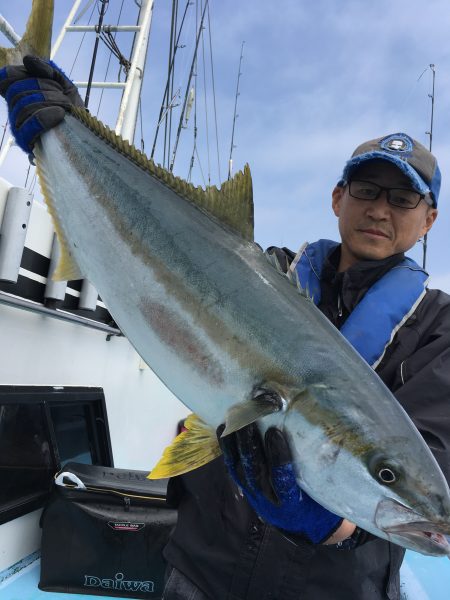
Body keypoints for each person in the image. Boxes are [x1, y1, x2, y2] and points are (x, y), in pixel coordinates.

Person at [1, 58, 449, 600]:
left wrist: (329, 526)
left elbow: (430, 455)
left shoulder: (438, 330)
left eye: (403, 198)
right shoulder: (269, 273)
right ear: (338, 198)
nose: (381, 209)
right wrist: (62, 133)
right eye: (366, 190)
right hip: (199, 570)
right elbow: (149, 240)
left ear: (428, 220)